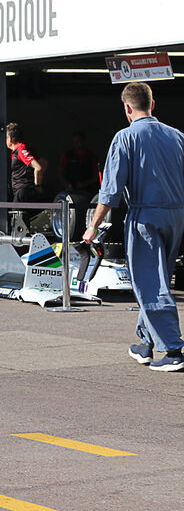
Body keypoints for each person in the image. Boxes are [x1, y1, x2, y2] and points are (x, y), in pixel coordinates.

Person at [85, 83, 184, 373]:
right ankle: (145, 342)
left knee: (150, 283)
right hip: (176, 216)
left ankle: (174, 349)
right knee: (157, 278)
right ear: (153, 104)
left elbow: (111, 190)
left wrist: (93, 226)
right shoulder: (177, 136)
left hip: (145, 218)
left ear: (127, 108)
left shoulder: (125, 138)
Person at [5, 122, 47, 229]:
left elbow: (38, 167)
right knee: (24, 222)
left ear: (10, 139)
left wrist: (38, 185)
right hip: (23, 191)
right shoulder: (24, 149)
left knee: (16, 222)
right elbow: (44, 162)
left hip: (22, 191)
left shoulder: (21, 150)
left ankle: (21, 245)